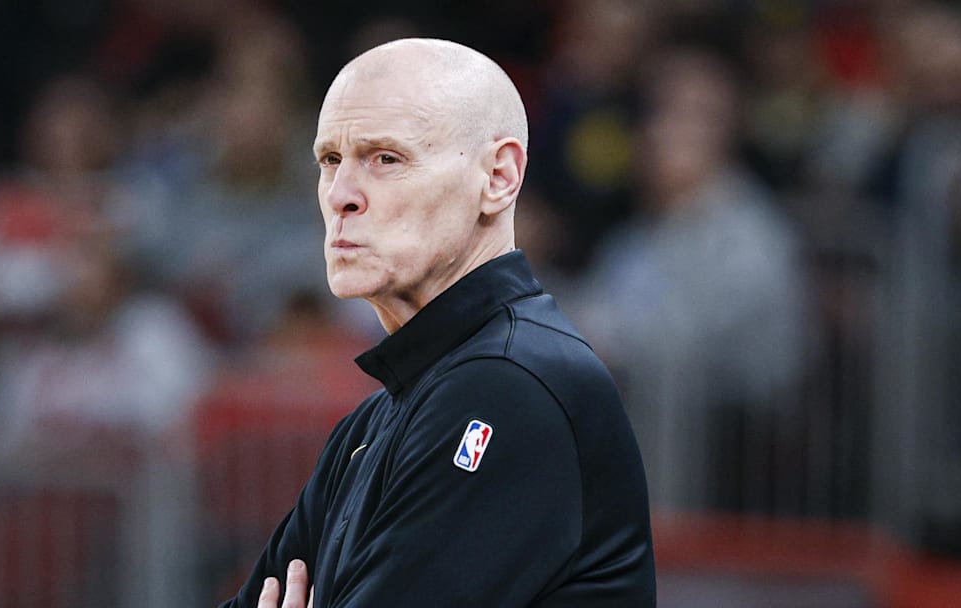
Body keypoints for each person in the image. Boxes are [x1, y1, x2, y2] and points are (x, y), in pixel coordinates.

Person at [219, 38, 655, 608]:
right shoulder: (372, 422)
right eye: (329, 160)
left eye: (385, 158)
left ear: (498, 176)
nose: (340, 195)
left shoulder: (512, 386)